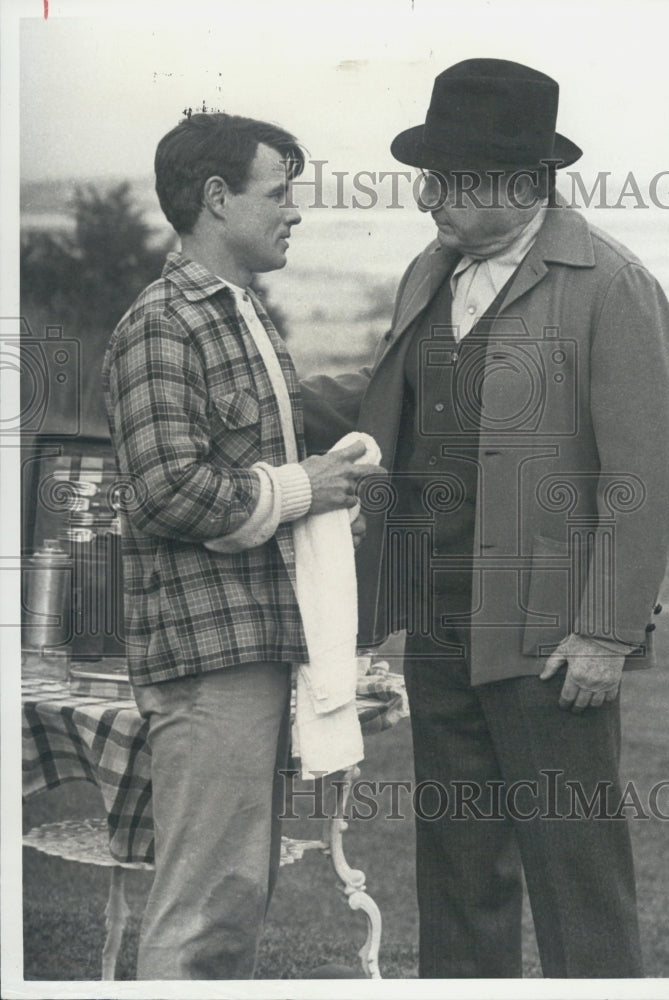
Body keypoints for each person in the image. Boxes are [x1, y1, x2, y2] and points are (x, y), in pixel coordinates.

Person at [302, 58, 669, 978]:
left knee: (576, 879)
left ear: (517, 182)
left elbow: (648, 474)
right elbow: (399, 391)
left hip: (551, 642)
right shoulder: (430, 274)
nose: (427, 198)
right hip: (437, 626)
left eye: (446, 178)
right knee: (458, 871)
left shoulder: (610, 286)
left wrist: (605, 631)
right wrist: (265, 395)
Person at [102, 113, 379, 979]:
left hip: (251, 650)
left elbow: (261, 453)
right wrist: (305, 491)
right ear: (217, 200)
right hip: (206, 660)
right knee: (201, 913)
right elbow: (165, 489)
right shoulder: (162, 324)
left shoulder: (239, 315)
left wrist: (325, 498)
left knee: (232, 905)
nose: (296, 212)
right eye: (280, 193)